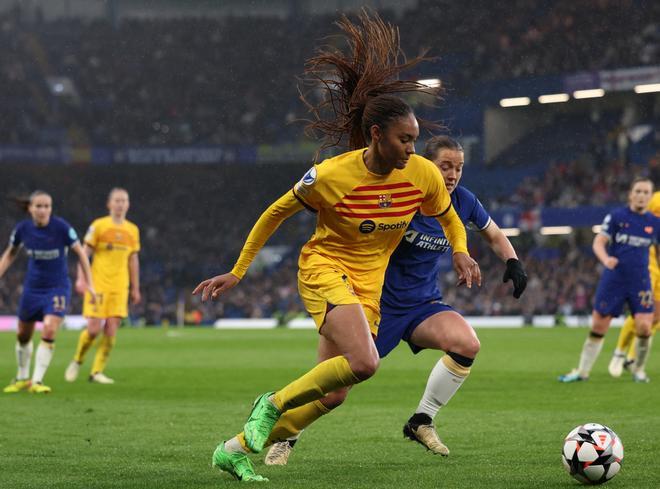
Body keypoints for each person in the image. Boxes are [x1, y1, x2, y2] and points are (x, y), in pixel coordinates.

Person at [193, 12, 481, 482]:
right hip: (324, 268)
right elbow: (275, 212)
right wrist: (239, 271)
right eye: (404, 139)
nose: (412, 148)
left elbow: (448, 213)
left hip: (368, 286)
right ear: (376, 135)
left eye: (415, 139)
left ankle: (234, 448)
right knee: (366, 363)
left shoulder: (422, 174)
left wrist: (460, 249)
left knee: (333, 394)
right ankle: (271, 403)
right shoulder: (331, 176)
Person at [263, 135, 528, 465]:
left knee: (466, 344)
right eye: (445, 166)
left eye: (458, 168)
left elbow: (493, 233)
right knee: (332, 393)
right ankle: (286, 435)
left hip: (421, 305)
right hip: (371, 304)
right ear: (425, 165)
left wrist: (513, 262)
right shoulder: (401, 195)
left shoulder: (462, 201)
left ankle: (421, 421)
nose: (453, 175)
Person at [559, 177, 660, 383]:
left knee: (644, 327)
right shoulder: (617, 216)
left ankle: (638, 370)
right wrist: (606, 259)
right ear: (631, 194)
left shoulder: (654, 223)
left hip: (641, 280)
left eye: (645, 192)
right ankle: (582, 371)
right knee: (598, 325)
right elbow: (599, 242)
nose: (641, 196)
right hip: (615, 278)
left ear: (650, 197)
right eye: (638, 191)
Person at [1, 191, 96, 394]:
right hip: (32, 289)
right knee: (23, 334)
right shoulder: (22, 229)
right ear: (30, 208)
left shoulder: (61, 228)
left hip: (57, 288)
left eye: (47, 206)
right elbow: (10, 254)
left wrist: (90, 284)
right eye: (39, 206)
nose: (44, 210)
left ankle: (37, 381)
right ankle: (21, 377)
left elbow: (81, 253)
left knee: (50, 328)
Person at [64, 188, 141, 385]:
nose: (120, 204)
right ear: (109, 204)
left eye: (124, 200)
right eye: (117, 200)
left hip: (120, 286)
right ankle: (77, 360)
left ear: (128, 204)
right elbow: (84, 253)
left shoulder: (132, 230)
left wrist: (135, 288)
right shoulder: (99, 226)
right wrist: (81, 279)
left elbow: (133, 260)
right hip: (97, 286)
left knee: (112, 329)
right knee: (92, 329)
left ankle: (97, 371)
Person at [608, 189, 660, 381]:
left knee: (656, 316)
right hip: (650, 264)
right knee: (642, 311)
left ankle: (631, 358)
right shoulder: (656, 199)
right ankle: (621, 353)